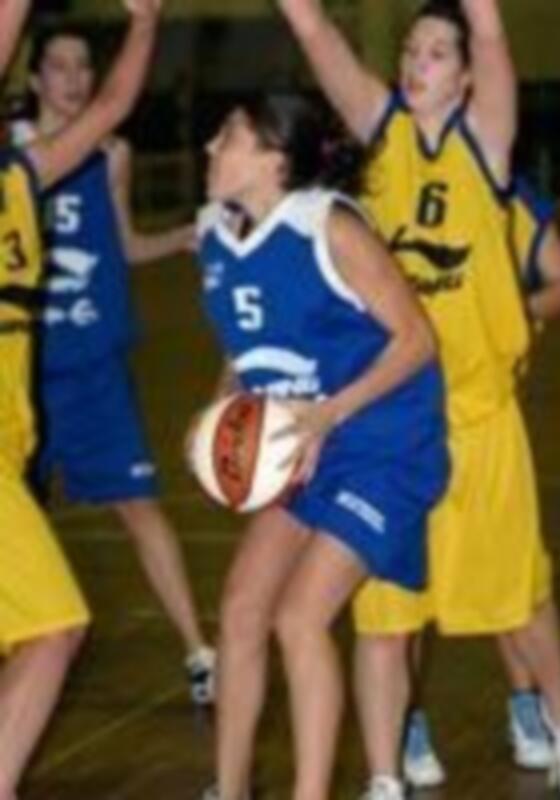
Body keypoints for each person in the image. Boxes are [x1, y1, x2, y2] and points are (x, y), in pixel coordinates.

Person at [276, 1, 560, 799]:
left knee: (518, 598)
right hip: (390, 419)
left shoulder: (483, 143)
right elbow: (317, 35)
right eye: (412, 49)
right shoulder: (380, 132)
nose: (418, 61)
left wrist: (479, 27)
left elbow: (491, 31)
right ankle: (386, 778)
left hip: (480, 415)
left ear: (463, 77)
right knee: (383, 620)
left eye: (436, 52)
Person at [194, 93, 449, 800]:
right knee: (241, 608)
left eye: (229, 134)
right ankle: (229, 787)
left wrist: (327, 414)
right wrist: (224, 408)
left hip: (382, 442)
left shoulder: (329, 227)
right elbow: (244, 351)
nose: (209, 146)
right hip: (304, 445)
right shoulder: (215, 233)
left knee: (299, 619)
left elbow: (418, 340)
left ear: (274, 158)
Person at [9, 24, 215, 706]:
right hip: (25, 371)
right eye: (58, 67)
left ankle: (196, 649)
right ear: (32, 80)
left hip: (94, 367)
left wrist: (181, 237)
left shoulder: (112, 155)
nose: (72, 78)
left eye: (82, 66)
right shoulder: (16, 158)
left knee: (139, 505)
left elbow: (124, 248)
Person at [0, 1, 160, 797]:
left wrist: (145, 20)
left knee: (43, 631)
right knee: (55, 625)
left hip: (9, 445)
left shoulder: (24, 177)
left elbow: (111, 108)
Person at [400, 177, 560, 789]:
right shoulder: (385, 184)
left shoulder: (507, 197)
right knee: (403, 591)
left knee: (511, 576)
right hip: (400, 418)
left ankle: (531, 709)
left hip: (485, 416)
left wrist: (507, 310)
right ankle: (406, 720)